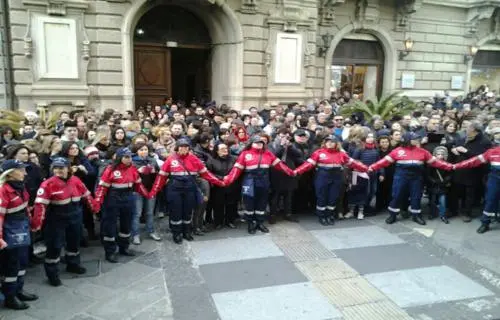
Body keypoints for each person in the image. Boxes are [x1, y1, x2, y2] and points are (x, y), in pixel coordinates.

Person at [32, 157, 98, 286]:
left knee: (74, 242)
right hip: (56, 220)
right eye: (55, 168)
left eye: (61, 168)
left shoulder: (76, 180)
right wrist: (37, 224)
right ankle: (52, 274)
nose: (58, 171)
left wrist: (95, 208)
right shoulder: (47, 184)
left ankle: (73, 264)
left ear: (68, 168)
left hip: (75, 216)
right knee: (55, 247)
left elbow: (87, 195)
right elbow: (40, 206)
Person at [149, 138, 224, 244]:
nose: (184, 149)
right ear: (177, 148)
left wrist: (219, 182)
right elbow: (161, 177)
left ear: (189, 148)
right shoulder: (170, 159)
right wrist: (154, 191)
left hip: (190, 189)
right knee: (176, 212)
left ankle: (186, 232)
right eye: (181, 147)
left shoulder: (194, 159)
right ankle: (177, 234)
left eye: (186, 147)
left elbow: (206, 174)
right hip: (174, 190)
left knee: (187, 212)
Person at [369, 132, 454, 225]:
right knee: (396, 196)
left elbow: (436, 162)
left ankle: (416, 215)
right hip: (400, 178)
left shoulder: (423, 151)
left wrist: (451, 166)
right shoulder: (397, 151)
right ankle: (393, 215)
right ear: (408, 140)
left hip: (416, 178)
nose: (418, 140)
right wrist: (372, 167)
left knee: (416, 197)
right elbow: (383, 162)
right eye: (415, 139)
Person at [223, 135, 295, 234]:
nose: (259, 144)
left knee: (262, 203)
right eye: (257, 142)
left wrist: (291, 172)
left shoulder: (268, 154)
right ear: (251, 143)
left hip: (264, 182)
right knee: (249, 203)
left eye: (261, 142)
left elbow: (280, 166)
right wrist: (228, 180)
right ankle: (250, 223)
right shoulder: (245, 154)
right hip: (249, 182)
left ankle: (260, 223)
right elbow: (236, 170)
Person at [294, 135, 368, 225]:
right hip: (322, 179)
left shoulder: (342, 154)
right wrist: (296, 171)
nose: (329, 143)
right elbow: (308, 165)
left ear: (336, 144)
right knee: (322, 198)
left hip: (336, 179)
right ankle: (322, 216)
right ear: (324, 143)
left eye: (332, 141)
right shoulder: (318, 153)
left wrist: (367, 168)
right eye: (327, 141)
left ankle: (329, 215)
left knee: (333, 198)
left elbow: (353, 163)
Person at [95, 147, 150, 262]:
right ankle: (110, 252)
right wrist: (97, 203)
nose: (129, 159)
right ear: (120, 158)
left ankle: (123, 248)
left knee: (126, 224)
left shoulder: (133, 169)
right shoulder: (110, 169)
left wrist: (147, 194)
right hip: (113, 199)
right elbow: (102, 188)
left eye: (130, 156)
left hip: (128, 198)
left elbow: (138, 185)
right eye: (126, 157)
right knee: (110, 226)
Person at [0, 160, 38, 310]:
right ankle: (10, 296)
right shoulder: (3, 191)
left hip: (22, 228)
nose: (25, 173)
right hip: (10, 232)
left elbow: (25, 207)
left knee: (22, 262)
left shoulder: (21, 187)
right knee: (11, 265)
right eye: (21, 170)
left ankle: (18, 290)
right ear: (10, 174)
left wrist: (32, 223)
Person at [454, 145, 500, 233]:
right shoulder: (492, 152)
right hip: (494, 180)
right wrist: (457, 166)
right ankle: (485, 223)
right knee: (490, 200)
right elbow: (474, 161)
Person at [206, 141, 239, 229]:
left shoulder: (234, 159)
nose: (225, 150)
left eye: (226, 148)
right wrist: (221, 178)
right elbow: (209, 173)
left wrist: (230, 177)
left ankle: (230, 221)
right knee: (218, 205)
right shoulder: (211, 161)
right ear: (217, 151)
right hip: (218, 186)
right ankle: (218, 222)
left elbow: (237, 171)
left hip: (232, 185)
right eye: (222, 149)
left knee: (231, 204)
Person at [426, 146, 452, 224]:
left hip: (442, 186)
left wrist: (445, 181)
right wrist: (434, 181)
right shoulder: (431, 164)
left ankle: (443, 215)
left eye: (442, 154)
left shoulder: (447, 164)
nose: (440, 156)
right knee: (432, 201)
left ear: (445, 155)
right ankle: (432, 213)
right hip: (433, 185)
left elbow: (450, 174)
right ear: (435, 155)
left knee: (442, 201)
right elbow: (428, 175)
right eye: (438, 154)